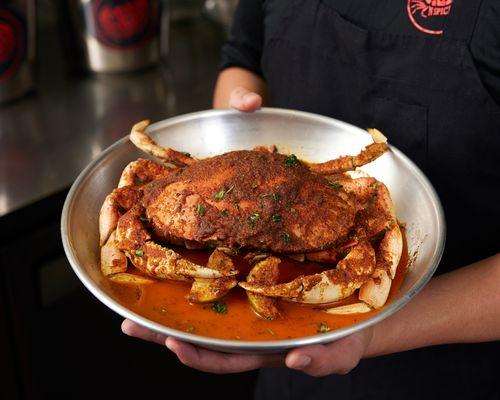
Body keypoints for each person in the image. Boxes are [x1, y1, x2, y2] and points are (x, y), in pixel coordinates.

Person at [121, 0, 500, 398]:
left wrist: (373, 332)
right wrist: (235, 124)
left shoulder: (365, 207)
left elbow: (384, 235)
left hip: (443, 366)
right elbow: (244, 55)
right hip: (281, 361)